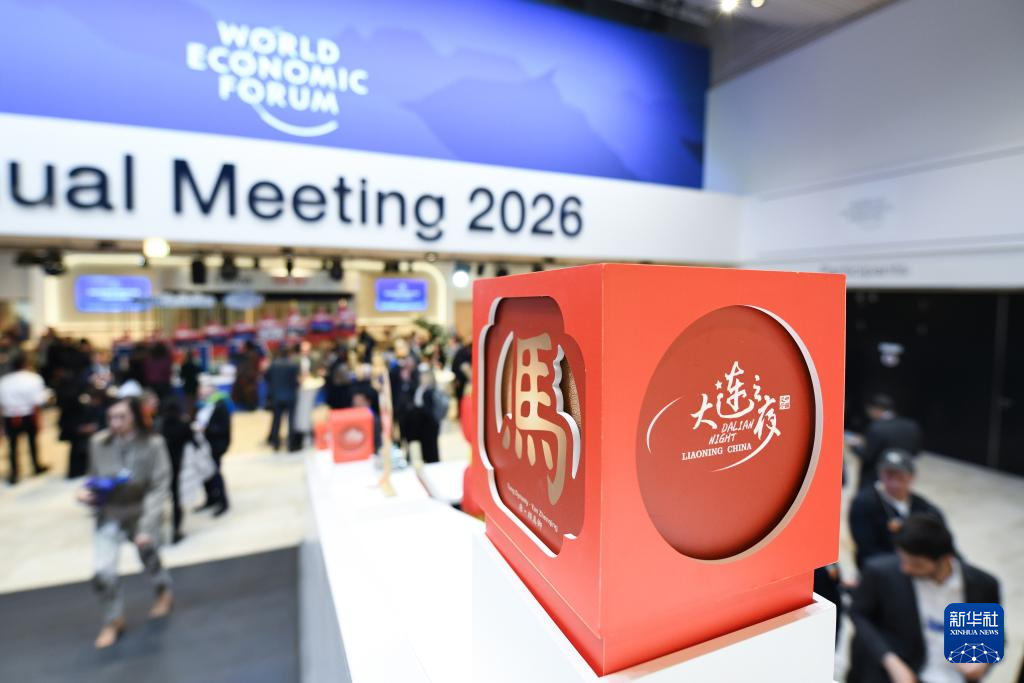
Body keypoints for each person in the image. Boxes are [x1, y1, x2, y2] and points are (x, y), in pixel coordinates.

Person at [848, 514, 1000, 683]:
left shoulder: (981, 584)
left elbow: (992, 637)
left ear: (946, 559)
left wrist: (983, 660)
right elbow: (860, 615)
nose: (906, 569)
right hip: (908, 671)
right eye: (903, 559)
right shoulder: (884, 574)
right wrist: (892, 662)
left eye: (916, 564)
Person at [76, 397, 174, 649]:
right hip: (109, 513)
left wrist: (147, 526)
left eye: (121, 417)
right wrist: (85, 494)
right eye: (111, 417)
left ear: (135, 417)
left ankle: (163, 591)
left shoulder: (153, 444)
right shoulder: (98, 443)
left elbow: (159, 486)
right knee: (103, 571)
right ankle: (113, 619)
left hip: (141, 511)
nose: (115, 423)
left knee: (149, 554)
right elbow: (92, 478)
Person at [850, 449, 945, 571]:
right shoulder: (864, 503)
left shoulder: (924, 508)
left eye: (900, 477)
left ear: (911, 477)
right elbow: (867, 549)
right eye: (889, 476)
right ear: (880, 475)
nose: (894, 483)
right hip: (882, 569)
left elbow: (943, 542)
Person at [854, 394, 923, 490]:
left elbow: (866, 456)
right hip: (902, 477)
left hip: (875, 479)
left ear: (875, 409)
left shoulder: (876, 427)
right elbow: (916, 452)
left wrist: (855, 446)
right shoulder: (912, 425)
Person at [0, 355, 49, 483]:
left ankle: (14, 473)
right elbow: (38, 400)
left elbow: (2, 402)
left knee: (13, 445)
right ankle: (36, 466)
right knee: (32, 442)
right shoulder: (33, 378)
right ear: (26, 364)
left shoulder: (4, 381)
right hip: (28, 414)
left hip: (10, 416)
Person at [159, 397, 193, 543]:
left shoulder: (159, 425)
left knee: (160, 499)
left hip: (161, 468)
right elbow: (191, 441)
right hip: (178, 466)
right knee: (177, 499)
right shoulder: (183, 424)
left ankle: (161, 530)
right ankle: (176, 529)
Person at [195, 381, 231, 515]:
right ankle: (211, 499)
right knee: (205, 473)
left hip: (215, 445)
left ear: (211, 389)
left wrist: (205, 429)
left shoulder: (220, 405)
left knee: (215, 473)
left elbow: (223, 428)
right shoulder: (202, 405)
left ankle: (222, 502)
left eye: (203, 388)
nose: (200, 391)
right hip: (203, 445)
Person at [264, 346, 300, 451]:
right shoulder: (293, 365)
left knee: (276, 420)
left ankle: (275, 443)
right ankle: (291, 444)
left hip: (277, 397)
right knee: (291, 421)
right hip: (291, 396)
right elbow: (297, 381)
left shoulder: (273, 365)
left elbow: (266, 377)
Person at [231, 340, 261, 410]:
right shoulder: (251, 355)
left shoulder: (249, 356)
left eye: (242, 346)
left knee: (248, 397)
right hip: (247, 381)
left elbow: (248, 370)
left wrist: (241, 377)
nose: (240, 348)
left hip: (247, 382)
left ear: (246, 347)